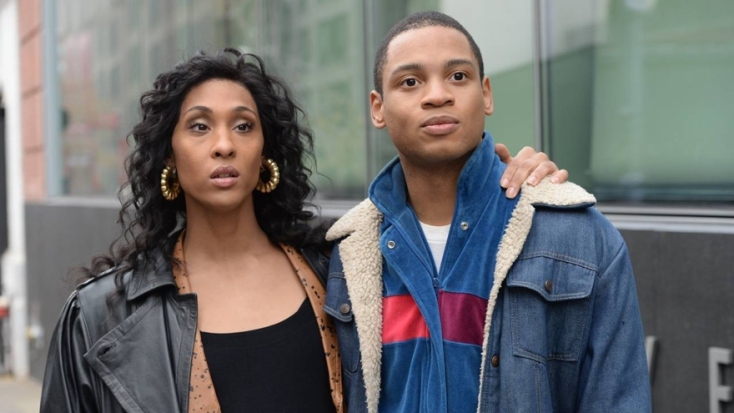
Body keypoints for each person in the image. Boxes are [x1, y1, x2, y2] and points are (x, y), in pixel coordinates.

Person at [39, 49, 563, 412]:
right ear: (168, 156)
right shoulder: (103, 315)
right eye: (199, 126)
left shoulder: (341, 266)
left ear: (265, 152)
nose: (224, 145)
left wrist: (511, 180)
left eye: (243, 126)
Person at [325, 11, 651, 413]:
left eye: (457, 76)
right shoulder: (348, 252)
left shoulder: (579, 236)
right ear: (378, 108)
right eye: (410, 82)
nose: (437, 95)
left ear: (487, 94)